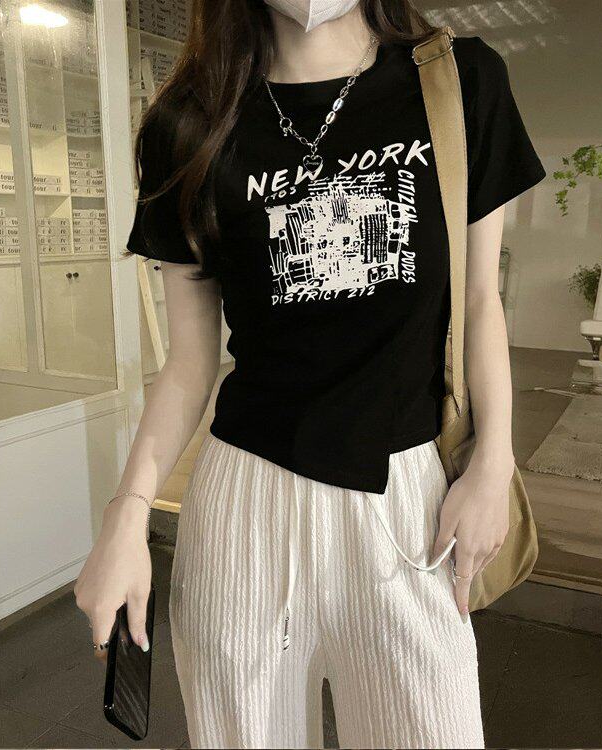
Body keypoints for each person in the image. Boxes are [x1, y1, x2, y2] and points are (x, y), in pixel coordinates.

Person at [73, 0, 545, 747]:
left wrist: (494, 462)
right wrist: (126, 518)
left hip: (407, 501)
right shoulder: (188, 122)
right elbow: (189, 360)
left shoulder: (459, 81)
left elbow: (482, 301)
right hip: (245, 507)